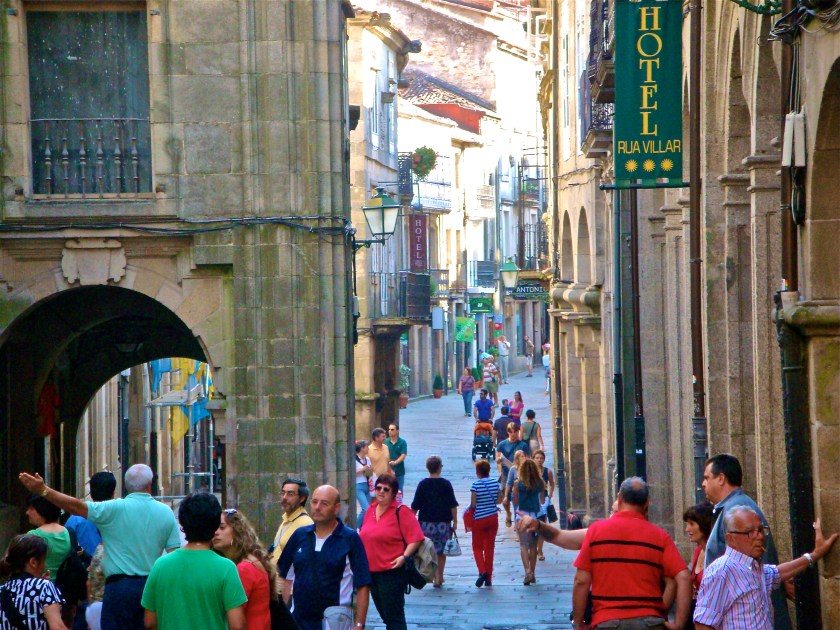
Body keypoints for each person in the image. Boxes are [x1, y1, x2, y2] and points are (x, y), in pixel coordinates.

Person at [18, 464, 181, 630]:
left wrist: (44, 490)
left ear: (125, 486)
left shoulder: (113, 509)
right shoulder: (165, 512)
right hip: (151, 588)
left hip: (118, 589)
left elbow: (75, 506)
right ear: (150, 484)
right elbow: (174, 557)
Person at [572, 477, 691, 630]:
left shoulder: (596, 532)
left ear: (619, 498)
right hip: (650, 622)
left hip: (608, 621)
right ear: (647, 502)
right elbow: (684, 577)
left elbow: (581, 581)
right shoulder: (660, 537)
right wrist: (679, 624)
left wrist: (578, 622)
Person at [694, 507, 838, 630]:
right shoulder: (721, 571)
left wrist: (815, 555)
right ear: (731, 539)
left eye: (761, 530)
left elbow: (778, 572)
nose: (759, 537)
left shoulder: (754, 568)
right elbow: (703, 624)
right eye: (750, 532)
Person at [701, 453, 791, 629]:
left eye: (706, 478)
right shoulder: (731, 508)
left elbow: (759, 566)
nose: (703, 484)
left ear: (721, 479)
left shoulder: (739, 511)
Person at [141, 492, 247, 630]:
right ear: (214, 526)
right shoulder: (226, 568)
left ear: (183, 524)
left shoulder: (160, 565)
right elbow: (237, 625)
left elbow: (149, 622)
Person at [277, 485, 371, 630]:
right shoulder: (299, 535)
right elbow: (284, 577)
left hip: (334, 622)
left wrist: (359, 624)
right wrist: (282, 617)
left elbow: (363, 584)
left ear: (336, 507)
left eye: (324, 503)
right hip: (299, 622)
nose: (317, 507)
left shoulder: (350, 539)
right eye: (314, 502)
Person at [359, 473, 423, 630]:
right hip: (372, 572)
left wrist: (404, 557)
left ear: (393, 493)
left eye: (386, 489)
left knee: (394, 616)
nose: (381, 491)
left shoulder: (401, 511)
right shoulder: (371, 510)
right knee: (385, 615)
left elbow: (416, 537)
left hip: (392, 572)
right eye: (378, 488)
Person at [212, 508, 276, 630]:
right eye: (214, 528)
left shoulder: (244, 568)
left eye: (222, 527)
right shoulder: (251, 560)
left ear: (237, 530)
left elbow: (233, 613)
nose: (215, 532)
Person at [410, 456, 458, 588]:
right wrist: (455, 522)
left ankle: (431, 575)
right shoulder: (446, 484)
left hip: (426, 523)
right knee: (441, 551)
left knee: (428, 550)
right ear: (439, 467)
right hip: (443, 522)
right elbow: (452, 505)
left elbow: (415, 506)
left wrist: (409, 521)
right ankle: (439, 576)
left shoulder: (422, 484)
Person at [0, 534, 66, 630]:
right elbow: (57, 627)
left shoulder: (2, 591)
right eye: (43, 561)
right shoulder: (44, 587)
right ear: (33, 562)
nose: (45, 566)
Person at [64, 472, 117, 558]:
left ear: (91, 493)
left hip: (82, 569)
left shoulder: (76, 519)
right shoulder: (120, 517)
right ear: (113, 493)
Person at [512, 459, 545, 586]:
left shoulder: (517, 483)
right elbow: (542, 501)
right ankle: (533, 572)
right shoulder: (540, 483)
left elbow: (515, 501)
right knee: (533, 547)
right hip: (536, 517)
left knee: (523, 545)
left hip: (522, 515)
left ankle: (527, 572)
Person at [25, 495, 71, 584]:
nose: (27, 512)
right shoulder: (68, 532)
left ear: (42, 510)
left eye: (31, 509)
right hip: (63, 589)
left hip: (39, 589)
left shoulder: (32, 536)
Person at [268, 478, 313, 565]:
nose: (284, 497)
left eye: (290, 494)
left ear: (302, 498)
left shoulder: (305, 524)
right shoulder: (286, 519)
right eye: (283, 493)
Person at [469, 459, 499, 588]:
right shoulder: (495, 484)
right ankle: (489, 578)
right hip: (493, 517)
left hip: (479, 519)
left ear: (478, 472)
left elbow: (473, 504)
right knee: (489, 548)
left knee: (477, 546)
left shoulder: (475, 485)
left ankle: (482, 571)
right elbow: (498, 500)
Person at [682, 502, 713, 627]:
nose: (687, 529)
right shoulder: (697, 551)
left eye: (691, 524)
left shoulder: (716, 554)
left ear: (703, 525)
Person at [496, 423, 530, 527]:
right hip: (506, 473)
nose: (513, 434)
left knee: (517, 497)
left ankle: (517, 519)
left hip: (519, 473)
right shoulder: (502, 444)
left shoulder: (523, 445)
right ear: (508, 432)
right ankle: (508, 513)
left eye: (515, 431)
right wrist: (500, 471)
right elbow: (498, 459)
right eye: (511, 432)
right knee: (504, 499)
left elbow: (527, 459)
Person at [532, 449, 555, 562]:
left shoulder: (548, 471)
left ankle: (539, 550)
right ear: (533, 459)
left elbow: (552, 484)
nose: (539, 460)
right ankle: (533, 548)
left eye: (541, 458)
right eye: (537, 458)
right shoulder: (530, 472)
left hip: (543, 500)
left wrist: (550, 496)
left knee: (542, 525)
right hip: (532, 500)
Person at [355, 441, 374, 527]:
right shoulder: (354, 459)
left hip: (367, 484)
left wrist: (369, 470)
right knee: (366, 508)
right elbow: (352, 472)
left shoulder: (367, 459)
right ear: (362, 448)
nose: (368, 448)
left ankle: (363, 527)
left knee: (368, 509)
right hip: (358, 485)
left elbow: (369, 473)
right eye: (366, 447)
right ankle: (355, 526)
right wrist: (363, 469)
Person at [386, 424, 408, 491]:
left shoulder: (402, 442)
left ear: (397, 431)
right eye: (389, 429)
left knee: (399, 491)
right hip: (388, 472)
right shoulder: (385, 441)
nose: (390, 431)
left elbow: (403, 455)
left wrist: (395, 462)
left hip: (399, 471)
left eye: (392, 430)